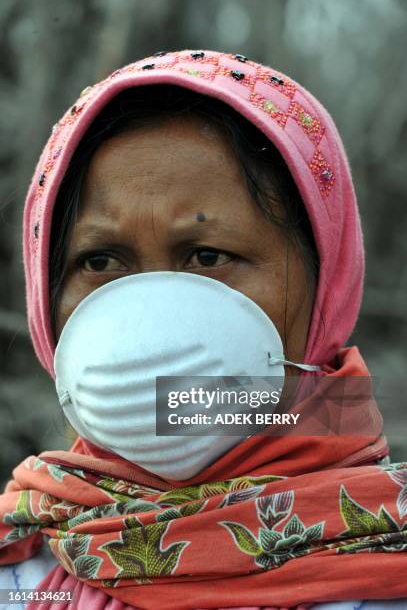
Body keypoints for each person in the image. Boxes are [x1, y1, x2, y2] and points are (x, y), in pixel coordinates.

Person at [0, 49, 406, 610]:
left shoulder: (386, 573)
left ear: (327, 282)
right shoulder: (19, 560)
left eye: (207, 255)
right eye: (100, 262)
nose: (151, 329)